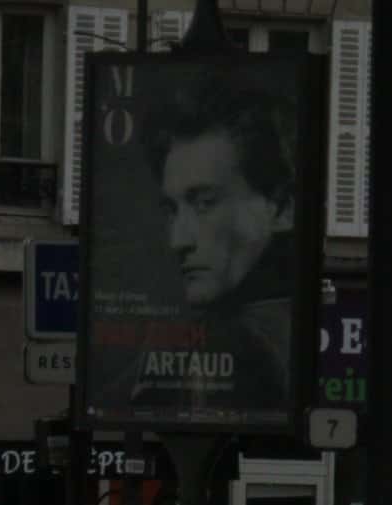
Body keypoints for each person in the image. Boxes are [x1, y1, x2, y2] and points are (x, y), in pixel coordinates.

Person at [116, 82, 298, 414]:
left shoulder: (230, 343)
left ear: (281, 207)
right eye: (172, 210)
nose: (179, 241)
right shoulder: (288, 331)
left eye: (205, 203)